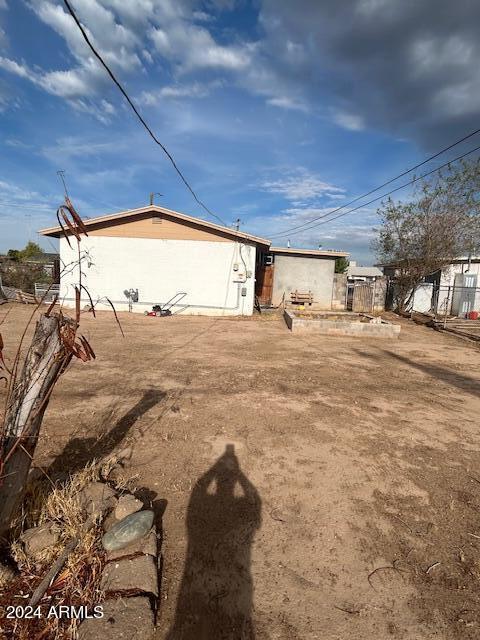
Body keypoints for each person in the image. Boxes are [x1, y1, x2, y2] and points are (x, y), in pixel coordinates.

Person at [167, 444, 261, 639]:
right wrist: (240, 475)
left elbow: (199, 488)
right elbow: (254, 499)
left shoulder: (203, 503)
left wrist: (220, 469)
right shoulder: (237, 508)